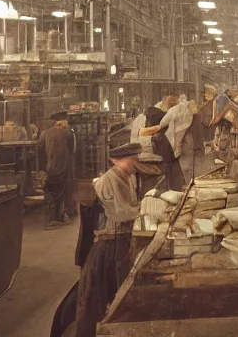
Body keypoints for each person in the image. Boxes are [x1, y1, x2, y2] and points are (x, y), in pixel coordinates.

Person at [76, 143, 142, 337]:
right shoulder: (108, 181)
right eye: (132, 161)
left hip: (121, 237)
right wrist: (146, 209)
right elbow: (121, 214)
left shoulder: (126, 176)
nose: (134, 165)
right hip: (110, 244)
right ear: (116, 160)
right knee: (108, 292)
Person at [38, 112, 76, 228]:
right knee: (60, 193)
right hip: (63, 169)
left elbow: (39, 151)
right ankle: (56, 217)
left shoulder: (45, 133)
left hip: (50, 169)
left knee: (52, 192)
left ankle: (54, 216)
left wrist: (43, 168)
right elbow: (72, 151)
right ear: (63, 122)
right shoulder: (69, 134)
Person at [140, 92, 184, 190]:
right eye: (171, 98)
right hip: (157, 149)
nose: (173, 100)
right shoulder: (153, 112)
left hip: (171, 151)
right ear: (164, 98)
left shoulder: (175, 111)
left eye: (175, 98)